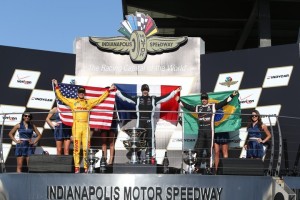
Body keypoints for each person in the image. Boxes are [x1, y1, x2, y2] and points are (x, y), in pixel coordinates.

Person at [52, 79, 115, 173]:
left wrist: (108, 90)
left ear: (84, 93)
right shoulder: (73, 102)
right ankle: (77, 167)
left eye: (83, 92)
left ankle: (86, 167)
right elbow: (61, 98)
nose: (81, 94)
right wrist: (57, 86)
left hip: (86, 126)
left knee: (86, 148)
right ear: (78, 93)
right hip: (76, 126)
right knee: (76, 148)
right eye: (80, 92)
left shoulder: (88, 102)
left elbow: (99, 98)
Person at [115, 84, 181, 161]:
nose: (145, 91)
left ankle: (152, 157)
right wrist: (117, 91)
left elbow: (165, 98)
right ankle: (137, 157)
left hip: (150, 122)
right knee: (139, 140)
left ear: (148, 91)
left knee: (151, 139)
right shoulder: (138, 99)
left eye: (146, 90)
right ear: (142, 91)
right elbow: (126, 97)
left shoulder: (153, 99)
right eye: (143, 90)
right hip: (140, 122)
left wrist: (175, 91)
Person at [178, 91, 238, 174]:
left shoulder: (212, 106)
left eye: (205, 98)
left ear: (207, 99)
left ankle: (208, 167)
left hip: (210, 131)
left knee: (209, 150)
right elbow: (188, 107)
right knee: (199, 149)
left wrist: (232, 95)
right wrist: (178, 100)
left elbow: (224, 102)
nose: (204, 100)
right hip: (201, 132)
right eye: (202, 98)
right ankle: (197, 167)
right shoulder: (198, 107)